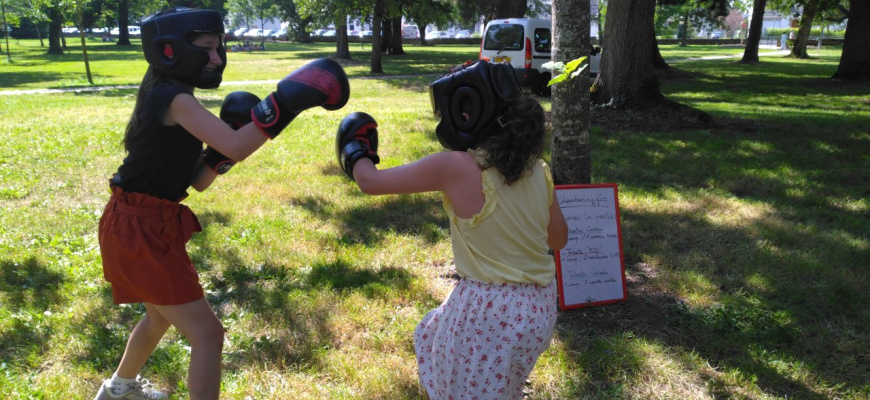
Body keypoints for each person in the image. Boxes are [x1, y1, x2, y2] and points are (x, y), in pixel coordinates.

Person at [94, 7, 350, 400]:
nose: (217, 59)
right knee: (208, 335)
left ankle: (118, 389)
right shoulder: (173, 99)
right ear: (169, 51)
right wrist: (285, 103)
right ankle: (119, 388)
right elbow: (235, 144)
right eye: (208, 49)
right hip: (139, 228)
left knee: (159, 316)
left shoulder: (172, 95)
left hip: (139, 222)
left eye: (220, 48)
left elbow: (198, 181)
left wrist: (217, 155)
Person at [335, 60, 568, 400]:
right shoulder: (537, 169)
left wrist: (356, 148)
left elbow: (369, 182)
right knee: (446, 341)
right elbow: (558, 238)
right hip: (537, 308)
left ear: (468, 112)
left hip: (491, 312)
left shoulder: (455, 167)